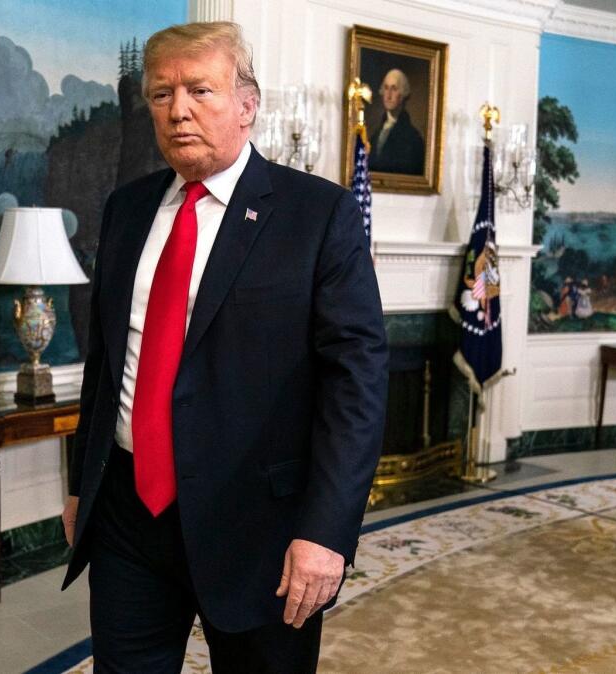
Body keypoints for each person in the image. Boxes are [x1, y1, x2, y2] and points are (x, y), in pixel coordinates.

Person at [59, 21, 388, 673]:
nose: (177, 110)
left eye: (199, 90)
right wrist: (81, 484)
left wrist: (327, 531)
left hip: (258, 526)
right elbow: (108, 361)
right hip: (128, 511)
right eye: (161, 94)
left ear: (247, 104)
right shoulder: (126, 210)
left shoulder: (317, 216)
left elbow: (358, 383)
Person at [367, 68, 425, 174]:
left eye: (394, 89)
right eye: (386, 88)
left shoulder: (413, 138)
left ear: (403, 94)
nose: (388, 95)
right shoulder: (375, 135)